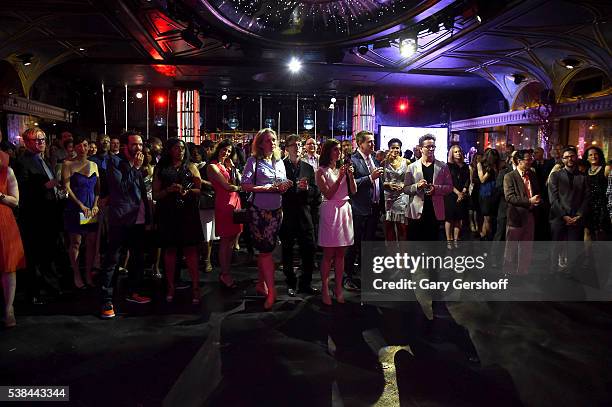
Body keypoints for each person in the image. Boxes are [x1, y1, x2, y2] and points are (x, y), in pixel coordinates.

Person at [100, 132, 152, 319]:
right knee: (112, 260)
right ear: (125, 146)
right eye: (134, 144)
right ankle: (106, 300)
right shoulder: (114, 162)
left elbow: (142, 192)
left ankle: (133, 292)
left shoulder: (139, 164)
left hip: (138, 219)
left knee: (138, 259)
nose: (138, 148)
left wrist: (148, 217)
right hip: (121, 220)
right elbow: (120, 188)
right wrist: (134, 167)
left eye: (140, 144)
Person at [241, 128, 292, 310]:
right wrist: (267, 188)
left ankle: (261, 283)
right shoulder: (253, 161)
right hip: (259, 210)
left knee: (268, 250)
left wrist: (285, 186)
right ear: (260, 143)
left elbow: (282, 182)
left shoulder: (279, 162)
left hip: (277, 209)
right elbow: (245, 185)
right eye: (269, 140)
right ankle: (271, 291)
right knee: (266, 251)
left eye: (274, 140)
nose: (273, 143)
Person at [14, 127, 63, 304]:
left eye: (42, 139)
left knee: (48, 253)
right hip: (34, 218)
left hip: (49, 215)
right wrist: (45, 187)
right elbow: (21, 191)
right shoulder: (22, 162)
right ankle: (33, 294)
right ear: (26, 142)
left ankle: (51, 289)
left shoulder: (44, 160)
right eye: (37, 140)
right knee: (34, 256)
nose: (41, 142)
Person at [153, 138, 203, 304]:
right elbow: (155, 194)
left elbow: (198, 190)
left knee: (190, 250)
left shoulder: (191, 166)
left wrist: (186, 191)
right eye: (176, 148)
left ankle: (195, 287)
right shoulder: (161, 168)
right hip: (168, 212)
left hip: (187, 212)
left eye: (182, 148)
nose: (180, 151)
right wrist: (168, 190)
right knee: (170, 251)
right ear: (169, 150)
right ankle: (170, 286)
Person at [316, 139, 356, 305]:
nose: (338, 153)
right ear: (327, 152)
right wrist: (340, 178)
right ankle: (325, 287)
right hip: (330, 210)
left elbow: (353, 190)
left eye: (339, 150)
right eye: (335, 150)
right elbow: (328, 194)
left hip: (345, 209)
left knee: (341, 253)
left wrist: (350, 176)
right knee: (329, 254)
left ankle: (338, 288)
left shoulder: (344, 169)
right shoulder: (321, 171)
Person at [344, 130, 384, 290]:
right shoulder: (353, 160)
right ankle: (348, 276)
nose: (373, 144)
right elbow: (351, 185)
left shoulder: (374, 159)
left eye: (373, 141)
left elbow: (379, 183)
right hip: (358, 208)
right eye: (369, 142)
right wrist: (370, 178)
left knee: (368, 243)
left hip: (374, 207)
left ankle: (364, 274)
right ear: (360, 143)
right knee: (353, 244)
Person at [280, 135, 318, 296]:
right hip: (287, 214)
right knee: (287, 251)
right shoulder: (280, 166)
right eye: (293, 145)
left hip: (304, 214)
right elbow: (275, 190)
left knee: (309, 251)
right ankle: (290, 283)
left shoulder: (308, 168)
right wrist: (283, 187)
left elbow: (316, 193)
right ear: (286, 148)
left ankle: (306, 283)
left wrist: (308, 188)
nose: (297, 147)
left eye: (299, 144)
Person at [61, 134, 100, 289]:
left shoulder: (94, 165)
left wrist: (96, 205)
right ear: (73, 147)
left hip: (91, 208)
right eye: (79, 145)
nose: (82, 148)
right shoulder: (68, 164)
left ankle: (88, 274)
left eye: (85, 145)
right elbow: (67, 188)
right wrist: (80, 205)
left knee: (91, 243)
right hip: (75, 207)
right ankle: (77, 275)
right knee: (76, 243)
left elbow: (98, 188)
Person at [207, 139, 243, 288]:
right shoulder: (212, 166)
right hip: (223, 203)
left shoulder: (228, 166)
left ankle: (227, 271)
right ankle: (224, 273)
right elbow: (227, 186)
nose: (226, 153)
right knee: (225, 240)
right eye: (224, 149)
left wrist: (233, 168)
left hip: (235, 202)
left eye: (229, 151)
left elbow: (239, 180)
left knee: (232, 239)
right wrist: (243, 188)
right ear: (218, 149)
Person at [404, 134, 453, 241]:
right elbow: (406, 189)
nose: (431, 149)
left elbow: (449, 187)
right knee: (415, 244)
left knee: (432, 244)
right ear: (421, 148)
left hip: (434, 210)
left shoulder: (442, 166)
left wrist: (435, 188)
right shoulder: (412, 167)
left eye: (433, 146)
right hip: (416, 211)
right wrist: (417, 186)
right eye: (428, 147)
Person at [502, 150, 541, 276]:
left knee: (526, 246)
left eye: (531, 159)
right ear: (519, 161)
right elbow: (510, 197)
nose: (530, 161)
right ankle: (508, 271)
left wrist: (538, 200)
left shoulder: (533, 174)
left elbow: (538, 191)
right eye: (528, 159)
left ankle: (523, 271)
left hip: (530, 215)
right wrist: (529, 201)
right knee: (511, 247)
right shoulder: (509, 176)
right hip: (516, 216)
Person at [0, 149, 25, 327]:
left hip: (3, 222)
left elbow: (16, 200)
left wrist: (0, 196)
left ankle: (9, 309)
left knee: (8, 266)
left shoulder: (6, 170)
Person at [383, 138, 409, 241]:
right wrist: (387, 184)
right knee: (389, 226)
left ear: (400, 149)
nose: (395, 150)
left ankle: (403, 254)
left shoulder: (406, 162)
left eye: (397, 148)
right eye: (392, 147)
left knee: (402, 226)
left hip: (401, 196)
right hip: (388, 197)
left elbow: (411, 179)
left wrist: (404, 184)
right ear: (389, 148)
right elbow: (379, 182)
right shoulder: (384, 162)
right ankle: (391, 253)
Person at [444, 145, 470, 245]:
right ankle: (449, 240)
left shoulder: (465, 166)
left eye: (459, 151)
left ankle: (456, 239)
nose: (458, 153)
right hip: (450, 195)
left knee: (459, 219)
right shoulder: (447, 166)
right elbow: (448, 182)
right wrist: (458, 193)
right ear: (451, 154)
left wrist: (463, 192)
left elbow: (467, 180)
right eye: (455, 152)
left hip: (462, 195)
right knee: (449, 218)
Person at [583, 146, 610, 241]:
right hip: (588, 206)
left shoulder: (606, 168)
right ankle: (588, 256)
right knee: (587, 232)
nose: (593, 156)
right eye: (590, 155)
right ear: (587, 158)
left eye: (595, 154)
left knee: (601, 234)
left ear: (600, 156)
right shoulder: (585, 171)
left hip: (603, 207)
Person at [477, 148, 502, 240]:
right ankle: (488, 237)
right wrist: (489, 171)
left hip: (496, 192)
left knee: (491, 217)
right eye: (493, 158)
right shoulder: (481, 164)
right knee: (487, 218)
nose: (494, 160)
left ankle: (484, 234)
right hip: (486, 193)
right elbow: (482, 179)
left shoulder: (498, 165)